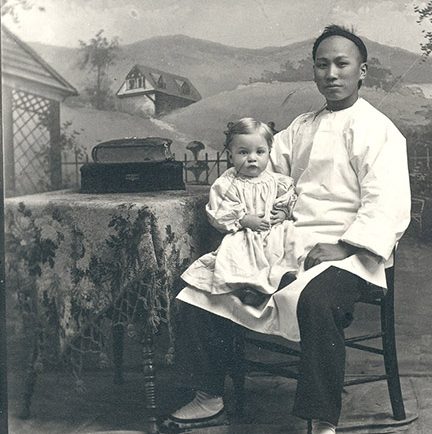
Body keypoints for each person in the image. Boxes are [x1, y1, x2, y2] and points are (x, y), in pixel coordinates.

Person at [166, 24, 411, 434]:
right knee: (199, 286)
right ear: (313, 71)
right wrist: (245, 213)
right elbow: (261, 174)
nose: (331, 74)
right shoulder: (301, 127)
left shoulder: (379, 131)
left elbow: (387, 204)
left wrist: (345, 247)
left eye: (341, 64)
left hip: (351, 252)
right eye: (321, 65)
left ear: (362, 71)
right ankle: (209, 395)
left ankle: (320, 418)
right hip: (287, 238)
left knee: (315, 301)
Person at [180, 117, 303, 307]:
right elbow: (220, 210)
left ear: (269, 153)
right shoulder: (228, 183)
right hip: (245, 233)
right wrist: (244, 219)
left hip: (272, 230)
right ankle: (248, 288)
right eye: (243, 152)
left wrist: (283, 213)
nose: (252, 158)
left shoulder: (276, 180)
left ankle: (278, 282)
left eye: (260, 152)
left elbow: (287, 198)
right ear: (231, 156)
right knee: (238, 254)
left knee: (288, 243)